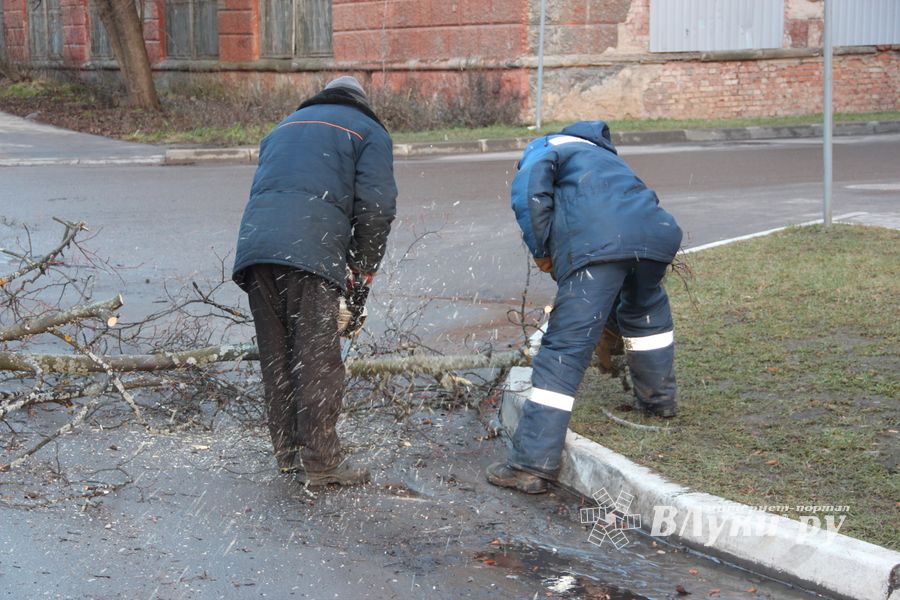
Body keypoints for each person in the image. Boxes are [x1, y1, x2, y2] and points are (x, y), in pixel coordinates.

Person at [488, 121, 682, 494]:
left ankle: (531, 465)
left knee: (566, 346)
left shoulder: (547, 147)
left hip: (599, 241)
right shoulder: (607, 158)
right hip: (657, 236)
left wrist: (542, 250)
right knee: (646, 317)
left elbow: (529, 196)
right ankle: (659, 401)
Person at [232, 76, 397, 486]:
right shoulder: (368, 130)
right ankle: (322, 462)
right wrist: (361, 273)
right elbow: (377, 209)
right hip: (310, 249)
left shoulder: (283, 127)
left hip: (256, 249)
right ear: (361, 101)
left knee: (278, 355)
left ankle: (289, 454)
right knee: (316, 357)